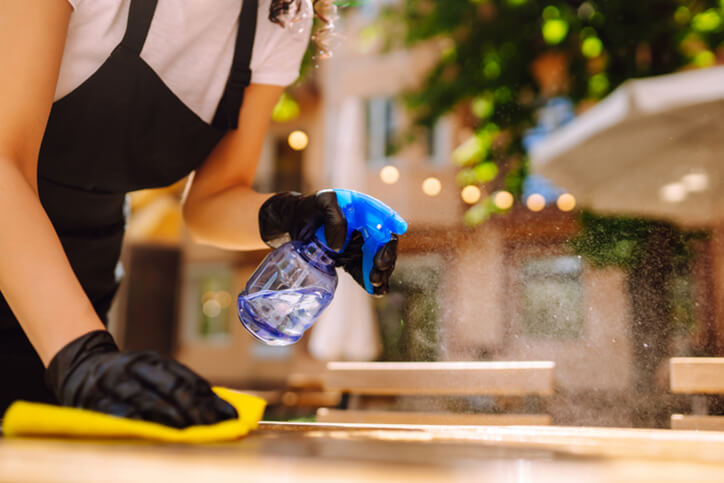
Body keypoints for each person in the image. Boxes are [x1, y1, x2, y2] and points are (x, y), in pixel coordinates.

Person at [0, 0, 399, 428]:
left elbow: (211, 202)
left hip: (79, 281)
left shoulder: (280, 17)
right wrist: (81, 355)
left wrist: (291, 214)